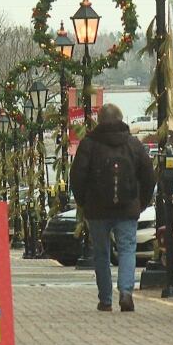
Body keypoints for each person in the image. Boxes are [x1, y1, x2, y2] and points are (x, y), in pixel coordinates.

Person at [71, 104, 155, 312]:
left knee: (101, 253)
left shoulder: (89, 144)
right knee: (127, 249)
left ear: (99, 121)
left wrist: (83, 203)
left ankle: (106, 299)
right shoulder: (133, 144)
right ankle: (126, 292)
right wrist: (140, 202)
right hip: (126, 208)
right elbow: (149, 176)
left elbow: (77, 176)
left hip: (97, 209)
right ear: (121, 118)